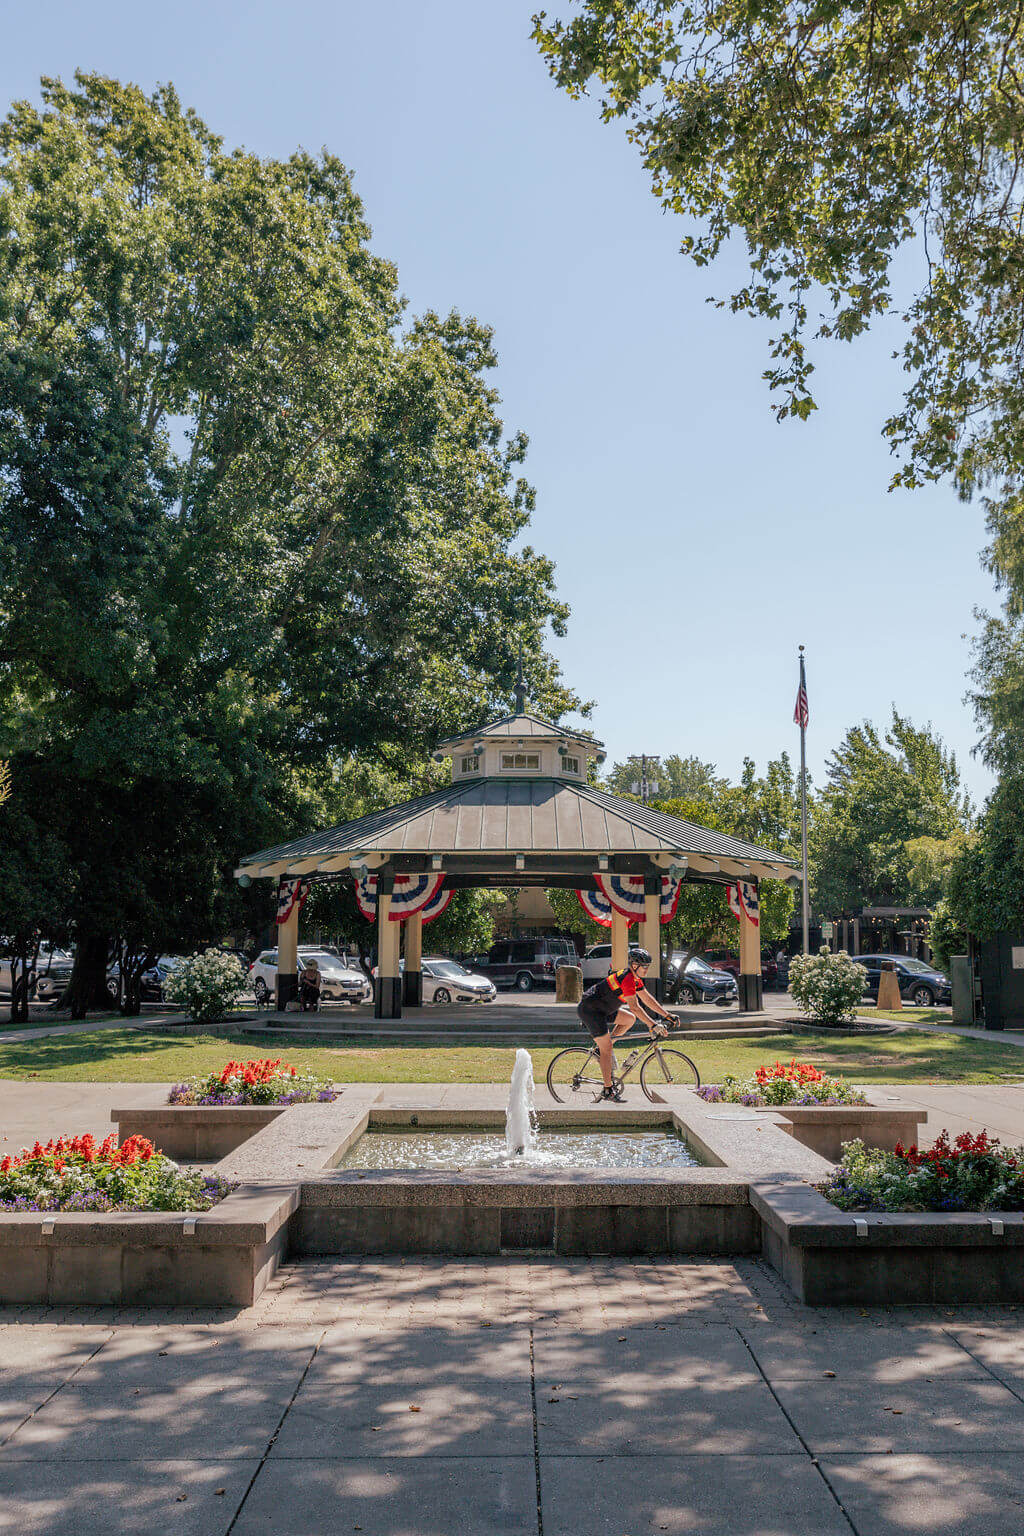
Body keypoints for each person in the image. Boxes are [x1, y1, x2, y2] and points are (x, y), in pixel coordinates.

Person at [576, 946, 675, 1100]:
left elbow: (647, 998)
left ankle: (603, 1051)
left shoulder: (635, 979)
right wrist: (653, 1025)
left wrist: (667, 1015)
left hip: (604, 1009)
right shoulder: (628, 979)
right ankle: (607, 1090)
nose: (646, 969)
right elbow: (635, 1007)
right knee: (607, 1048)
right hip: (591, 1010)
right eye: (644, 966)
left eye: (648, 966)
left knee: (629, 1019)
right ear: (634, 965)